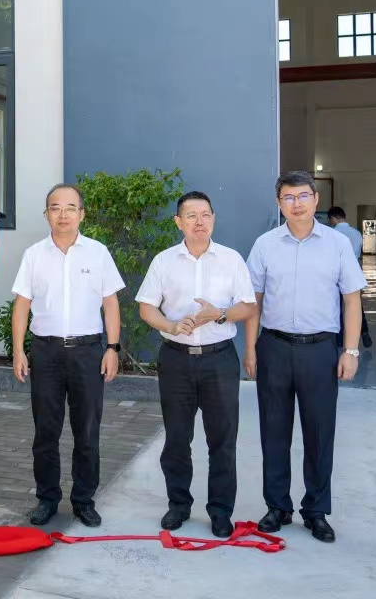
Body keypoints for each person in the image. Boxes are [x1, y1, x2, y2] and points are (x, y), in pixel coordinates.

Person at [245, 171, 366, 543]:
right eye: (288, 197)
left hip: (320, 350)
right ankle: (277, 506)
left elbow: (352, 300)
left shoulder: (337, 244)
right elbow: (254, 302)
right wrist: (250, 349)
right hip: (274, 347)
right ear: (279, 203)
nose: (295, 204)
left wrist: (349, 351)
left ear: (315, 200)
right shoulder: (265, 244)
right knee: (273, 431)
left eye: (302, 196)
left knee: (319, 432)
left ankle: (316, 510)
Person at [136, 191, 256, 538]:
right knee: (177, 438)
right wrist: (172, 325)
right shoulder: (164, 261)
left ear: (213, 219)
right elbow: (146, 307)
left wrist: (219, 313)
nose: (199, 221)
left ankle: (220, 511)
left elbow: (248, 306)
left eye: (205, 215)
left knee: (223, 439)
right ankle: (178, 505)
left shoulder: (231, 260)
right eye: (191, 216)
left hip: (219, 359)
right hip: (176, 359)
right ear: (179, 222)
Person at [11, 183, 124, 527]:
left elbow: (110, 304)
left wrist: (112, 348)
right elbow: (22, 305)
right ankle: (47, 499)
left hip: (88, 352)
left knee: (86, 430)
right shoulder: (34, 254)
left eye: (70, 208)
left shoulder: (98, 253)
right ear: (46, 214)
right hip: (45, 352)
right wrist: (19, 350)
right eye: (55, 208)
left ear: (81, 214)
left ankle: (83, 500)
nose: (63, 215)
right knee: (46, 431)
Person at [326, 206, 372, 348]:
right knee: (355, 304)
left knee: (337, 305)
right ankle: (364, 331)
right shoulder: (357, 233)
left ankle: (340, 338)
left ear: (333, 218)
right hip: (354, 272)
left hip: (336, 273)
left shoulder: (332, 234)